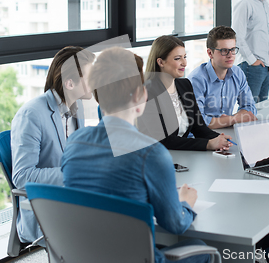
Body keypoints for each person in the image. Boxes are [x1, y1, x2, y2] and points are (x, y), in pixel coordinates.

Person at [61, 47, 211, 263]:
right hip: (135, 257)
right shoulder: (151, 154)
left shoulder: (74, 143)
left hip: (88, 255)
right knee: (202, 248)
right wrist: (185, 202)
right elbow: (175, 224)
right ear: (141, 95)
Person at [11, 46, 95, 245]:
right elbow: (22, 177)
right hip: (47, 208)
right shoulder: (31, 115)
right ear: (70, 83)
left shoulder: (77, 106)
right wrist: (73, 174)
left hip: (74, 199)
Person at [138, 35, 232, 151]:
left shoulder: (184, 85)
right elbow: (163, 140)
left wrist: (219, 139)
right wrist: (208, 144)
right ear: (161, 62)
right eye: (178, 58)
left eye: (185, 57)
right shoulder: (148, 92)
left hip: (181, 155)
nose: (184, 63)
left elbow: (199, 127)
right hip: (153, 156)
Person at [188, 26, 257, 129]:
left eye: (232, 49)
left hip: (226, 131)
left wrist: (230, 119)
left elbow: (250, 107)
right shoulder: (196, 80)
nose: (230, 55)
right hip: (201, 136)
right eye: (224, 51)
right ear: (210, 53)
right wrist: (233, 119)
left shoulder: (238, 73)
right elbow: (198, 121)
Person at [232, 0, 269, 102]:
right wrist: (252, 61)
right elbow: (237, 36)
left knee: (262, 108)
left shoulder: (264, 3)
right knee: (248, 109)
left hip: (266, 66)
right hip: (251, 66)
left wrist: (268, 62)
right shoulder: (245, 3)